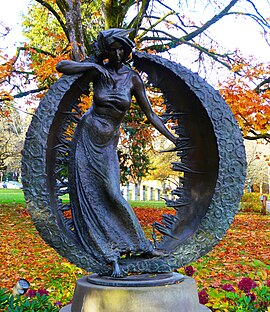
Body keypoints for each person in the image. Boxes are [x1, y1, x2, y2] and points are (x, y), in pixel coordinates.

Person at [56, 28, 177, 277]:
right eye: (113, 49)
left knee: (112, 192)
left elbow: (151, 114)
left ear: (127, 50)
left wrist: (173, 138)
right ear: (106, 51)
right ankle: (105, 249)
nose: (118, 54)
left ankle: (140, 246)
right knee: (90, 194)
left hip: (107, 141)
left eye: (122, 49)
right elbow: (62, 66)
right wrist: (93, 67)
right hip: (87, 138)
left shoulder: (133, 79)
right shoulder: (98, 71)